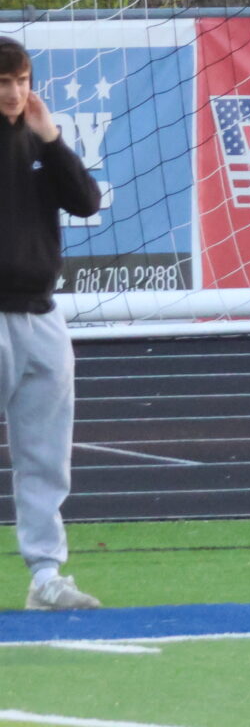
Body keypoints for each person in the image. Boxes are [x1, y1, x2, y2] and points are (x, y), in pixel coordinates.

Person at [0, 38, 104, 611]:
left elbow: (86, 202)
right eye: (3, 83)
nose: (15, 92)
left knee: (45, 457)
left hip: (42, 316)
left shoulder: (39, 138)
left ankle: (45, 575)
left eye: (22, 80)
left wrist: (52, 138)